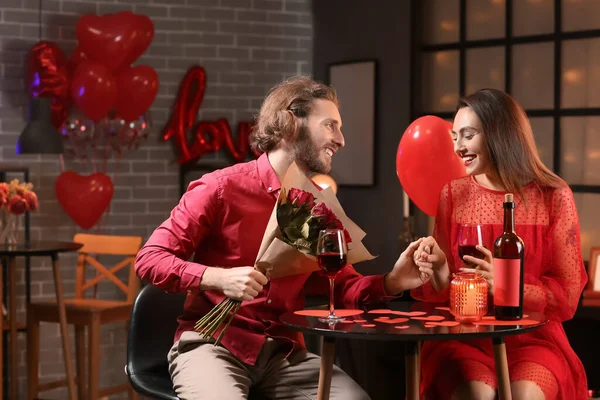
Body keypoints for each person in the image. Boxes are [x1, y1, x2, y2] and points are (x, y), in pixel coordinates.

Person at [135, 76, 428, 400]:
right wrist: (219, 277)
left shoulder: (317, 206)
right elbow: (149, 259)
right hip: (213, 345)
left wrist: (392, 282)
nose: (341, 140)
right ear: (290, 123)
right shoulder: (219, 188)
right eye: (330, 125)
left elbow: (342, 284)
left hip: (284, 355)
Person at [412, 88, 588, 400]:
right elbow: (440, 294)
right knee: (475, 394)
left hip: (533, 337)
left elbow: (568, 296)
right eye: (455, 136)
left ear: (499, 134)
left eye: (467, 135)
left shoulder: (554, 195)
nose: (458, 147)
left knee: (523, 396)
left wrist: (508, 286)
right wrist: (437, 269)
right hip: (465, 336)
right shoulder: (452, 194)